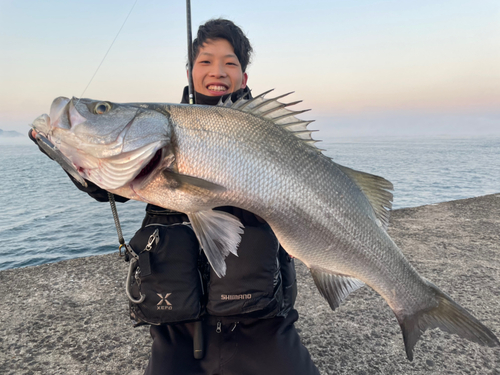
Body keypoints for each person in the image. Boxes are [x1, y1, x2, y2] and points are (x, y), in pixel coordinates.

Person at [31, 18, 320, 375]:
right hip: (178, 327)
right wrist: (73, 158)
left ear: (244, 78)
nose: (218, 71)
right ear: (189, 71)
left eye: (230, 63)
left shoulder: (265, 133)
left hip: (261, 321)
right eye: (205, 61)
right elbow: (109, 181)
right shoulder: (161, 134)